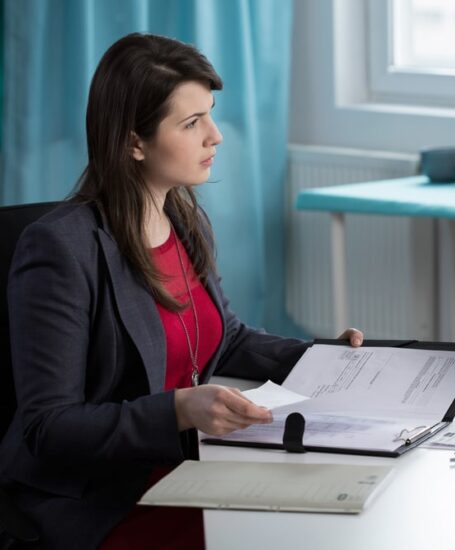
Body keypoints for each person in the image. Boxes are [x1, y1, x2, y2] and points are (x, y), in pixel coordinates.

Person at [0, 33, 363, 549]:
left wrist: (324, 359)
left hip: (187, 469)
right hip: (99, 502)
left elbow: (225, 337)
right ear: (133, 142)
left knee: (332, 511)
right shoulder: (61, 248)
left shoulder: (183, 218)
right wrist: (177, 410)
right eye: (191, 124)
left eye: (209, 115)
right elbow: (47, 426)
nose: (214, 136)